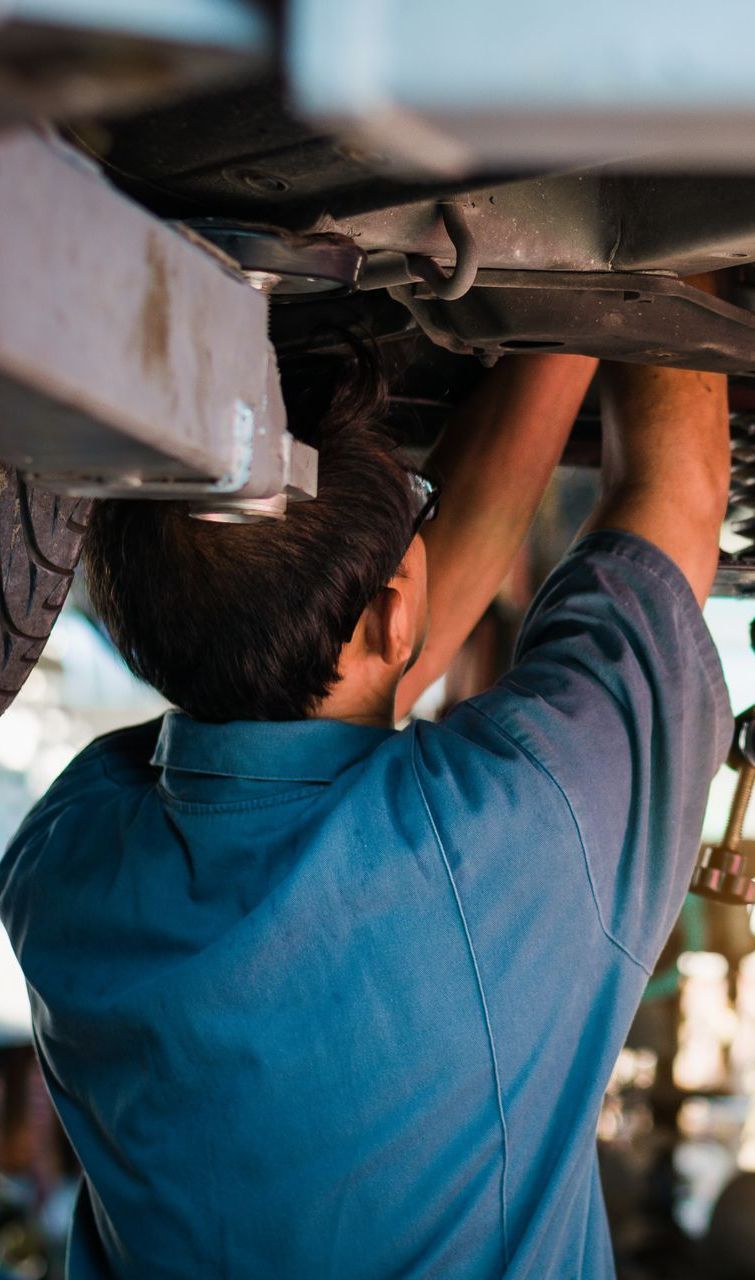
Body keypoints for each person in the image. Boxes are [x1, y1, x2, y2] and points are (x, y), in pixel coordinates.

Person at [0, 346, 732, 1280]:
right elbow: (342, 676)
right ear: (393, 618)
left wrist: (589, 316)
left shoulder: (63, 871)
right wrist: (600, 269)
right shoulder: (63, 862)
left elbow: (671, 499)